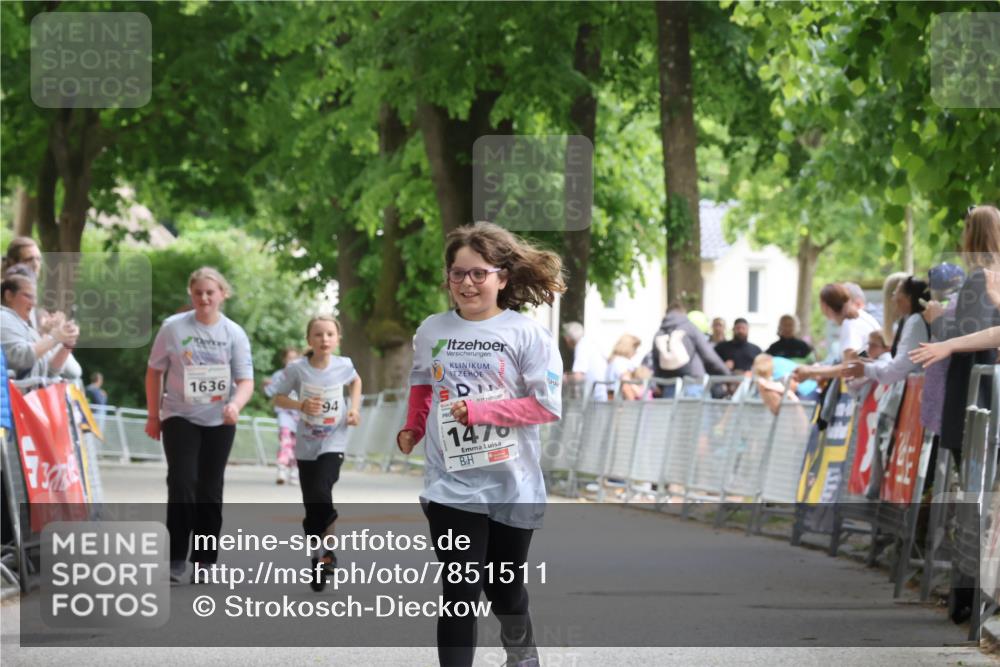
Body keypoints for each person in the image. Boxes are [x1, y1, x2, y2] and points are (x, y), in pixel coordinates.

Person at [396, 221, 563, 667]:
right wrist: (413, 426)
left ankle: (521, 649)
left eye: (478, 274)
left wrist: (483, 413)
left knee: (504, 587)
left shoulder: (527, 334)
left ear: (501, 278)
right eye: (458, 274)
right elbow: (422, 385)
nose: (467, 284)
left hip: (512, 483)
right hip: (452, 483)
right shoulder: (432, 330)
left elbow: (546, 408)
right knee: (459, 589)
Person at [144, 267, 254, 584]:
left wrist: (235, 404)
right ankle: (177, 558)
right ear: (191, 295)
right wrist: (154, 415)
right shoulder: (173, 328)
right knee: (181, 481)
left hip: (220, 419)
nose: (204, 298)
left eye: (210, 292)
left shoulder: (234, 333)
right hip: (179, 414)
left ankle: (204, 560)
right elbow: (154, 372)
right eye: (198, 293)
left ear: (222, 294)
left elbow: (246, 381)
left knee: (209, 488)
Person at [266, 316, 361, 591]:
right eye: (318, 335)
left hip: (334, 441)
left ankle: (329, 554)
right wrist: (301, 405)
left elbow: (356, 383)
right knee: (313, 507)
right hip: (306, 445)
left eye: (330, 334)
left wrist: (354, 409)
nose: (324, 339)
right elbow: (278, 397)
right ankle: (317, 557)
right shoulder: (297, 369)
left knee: (322, 491)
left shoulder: (344, 365)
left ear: (337, 338)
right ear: (309, 340)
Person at [841, 276, 930, 385]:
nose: (893, 299)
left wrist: (866, 369)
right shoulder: (906, 322)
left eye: (896, 293)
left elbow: (900, 367)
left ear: (908, 298)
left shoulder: (915, 322)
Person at [1, 270, 78, 380]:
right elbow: (20, 358)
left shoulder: (25, 327)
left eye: (34, 298)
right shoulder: (3, 317)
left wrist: (68, 342)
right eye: (28, 296)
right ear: (8, 295)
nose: (34, 303)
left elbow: (50, 371)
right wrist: (53, 337)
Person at [794, 283, 880, 381]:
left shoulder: (850, 326)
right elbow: (860, 356)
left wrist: (811, 371)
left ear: (824, 306)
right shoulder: (860, 317)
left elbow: (849, 368)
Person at [646, 301, 730, 396]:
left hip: (669, 386)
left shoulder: (659, 333)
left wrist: (659, 385)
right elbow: (708, 355)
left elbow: (655, 364)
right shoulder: (689, 328)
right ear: (683, 313)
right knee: (697, 411)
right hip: (693, 383)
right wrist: (728, 375)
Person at [267, 347, 302, 485]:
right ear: (284, 360)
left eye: (295, 358)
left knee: (298, 445)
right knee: (285, 440)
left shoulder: (304, 375)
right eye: (289, 358)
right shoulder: (279, 375)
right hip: (285, 414)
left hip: (300, 415)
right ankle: (282, 467)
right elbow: (271, 392)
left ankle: (294, 470)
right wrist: (268, 384)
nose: (292, 361)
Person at [562, 321, 606, 401]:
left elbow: (578, 377)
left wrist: (563, 378)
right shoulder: (590, 343)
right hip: (602, 396)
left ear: (567, 338)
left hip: (594, 400)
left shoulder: (581, 347)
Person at [605, 334, 643, 400]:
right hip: (620, 403)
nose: (636, 352)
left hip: (611, 399)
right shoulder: (621, 362)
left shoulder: (613, 360)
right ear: (628, 348)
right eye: (635, 348)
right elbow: (626, 385)